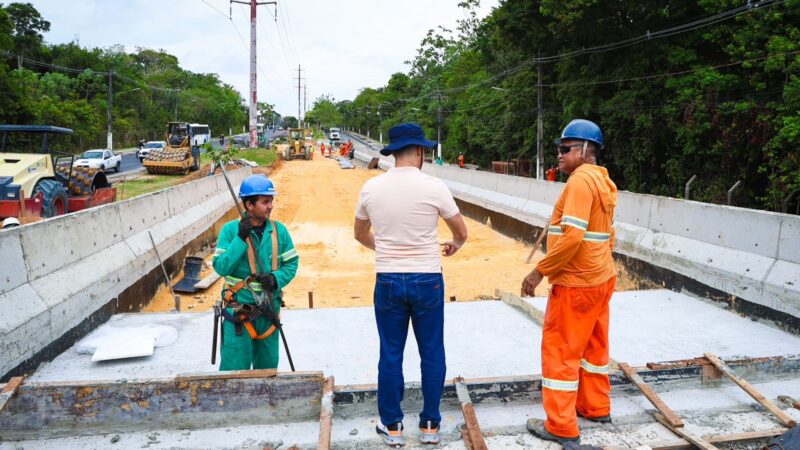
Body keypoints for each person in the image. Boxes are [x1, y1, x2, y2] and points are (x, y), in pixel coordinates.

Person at [354, 123, 468, 446]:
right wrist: (453, 246)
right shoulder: (435, 187)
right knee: (432, 352)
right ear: (420, 151)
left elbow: (359, 234)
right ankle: (430, 425)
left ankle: (392, 428)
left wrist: (387, 248)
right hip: (428, 279)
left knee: (391, 353)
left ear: (392, 153)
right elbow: (461, 232)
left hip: (388, 279)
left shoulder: (372, 189)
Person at [520, 119, 617, 443]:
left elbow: (572, 237)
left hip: (576, 284)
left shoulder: (579, 183)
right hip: (601, 279)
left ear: (586, 151)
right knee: (594, 347)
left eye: (565, 149)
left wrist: (540, 271)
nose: (559, 155)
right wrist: (599, 267)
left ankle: (561, 426)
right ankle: (595, 406)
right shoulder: (603, 181)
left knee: (561, 351)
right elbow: (607, 236)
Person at [212, 174, 299, 370]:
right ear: (249, 205)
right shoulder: (230, 231)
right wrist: (240, 239)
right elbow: (221, 267)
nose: (271, 206)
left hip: (269, 315)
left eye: (271, 201)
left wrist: (276, 278)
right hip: (239, 316)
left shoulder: (279, 231)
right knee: (234, 374)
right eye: (265, 202)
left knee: (268, 372)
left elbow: (292, 264)